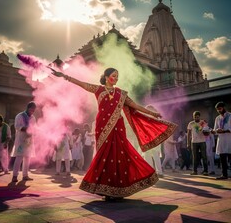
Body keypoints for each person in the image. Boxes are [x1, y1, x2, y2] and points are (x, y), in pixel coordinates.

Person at [53, 67, 177, 200]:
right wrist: (65, 76)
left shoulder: (121, 93)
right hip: (103, 127)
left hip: (118, 127)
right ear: (106, 77)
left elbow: (135, 106)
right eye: (114, 76)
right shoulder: (99, 90)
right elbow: (82, 84)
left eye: (117, 76)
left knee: (119, 155)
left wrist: (152, 113)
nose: (116, 78)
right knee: (105, 156)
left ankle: (119, 188)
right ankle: (105, 189)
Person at [11, 102, 36, 182]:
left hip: (29, 140)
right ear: (27, 108)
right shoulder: (20, 116)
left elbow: (33, 127)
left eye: (33, 110)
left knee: (27, 158)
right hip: (21, 140)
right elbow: (17, 126)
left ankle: (25, 175)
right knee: (19, 158)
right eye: (31, 109)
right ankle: (15, 176)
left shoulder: (33, 118)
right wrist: (27, 129)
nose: (32, 111)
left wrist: (33, 131)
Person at [212, 102, 231, 180]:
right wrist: (214, 131)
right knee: (222, 158)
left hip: (229, 139)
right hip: (221, 140)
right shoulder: (217, 118)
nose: (219, 111)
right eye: (217, 110)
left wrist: (224, 131)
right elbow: (215, 129)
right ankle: (224, 175)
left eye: (220, 109)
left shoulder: (230, 116)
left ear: (223, 107)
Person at [187, 111, 208, 176]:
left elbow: (206, 132)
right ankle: (194, 171)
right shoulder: (191, 123)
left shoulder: (203, 122)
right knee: (194, 157)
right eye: (195, 117)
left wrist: (205, 125)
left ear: (199, 116)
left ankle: (205, 171)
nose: (196, 118)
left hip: (202, 141)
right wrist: (188, 143)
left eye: (198, 117)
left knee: (204, 156)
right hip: (194, 142)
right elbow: (188, 134)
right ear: (193, 117)